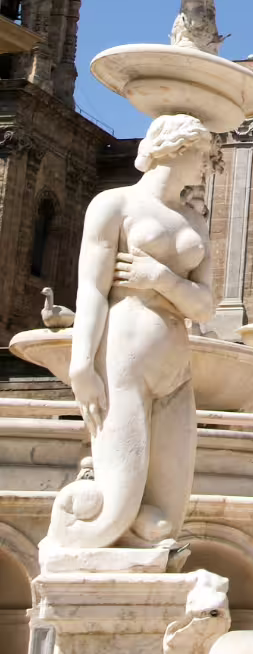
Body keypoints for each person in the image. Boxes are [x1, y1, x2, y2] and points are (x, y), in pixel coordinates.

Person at [44, 114, 215, 551]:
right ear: (174, 149)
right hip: (123, 359)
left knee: (168, 516)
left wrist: (160, 277)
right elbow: (92, 290)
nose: (206, 164)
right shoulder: (113, 204)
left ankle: (144, 569)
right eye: (201, 153)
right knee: (116, 506)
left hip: (176, 367)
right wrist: (81, 364)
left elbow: (206, 307)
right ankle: (72, 544)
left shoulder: (196, 223)